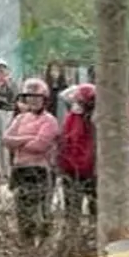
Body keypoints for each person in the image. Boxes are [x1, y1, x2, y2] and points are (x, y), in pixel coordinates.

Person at [4, 78, 60, 241]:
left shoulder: (49, 120)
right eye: (30, 97)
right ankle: (26, 246)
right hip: (20, 169)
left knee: (40, 212)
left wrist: (18, 141)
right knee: (21, 212)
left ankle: (43, 246)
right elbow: (6, 139)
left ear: (45, 99)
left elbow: (40, 145)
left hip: (40, 170)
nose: (33, 101)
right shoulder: (20, 118)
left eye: (37, 97)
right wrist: (28, 138)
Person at [57, 83, 97, 229]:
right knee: (72, 210)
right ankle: (72, 240)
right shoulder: (71, 118)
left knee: (96, 209)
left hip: (91, 171)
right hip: (72, 170)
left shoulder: (95, 120)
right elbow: (65, 141)